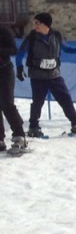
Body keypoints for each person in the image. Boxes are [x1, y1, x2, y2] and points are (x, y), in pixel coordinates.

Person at [15, 12, 76, 137]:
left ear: (46, 24)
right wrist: (19, 68)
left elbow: (66, 49)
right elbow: (20, 53)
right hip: (38, 76)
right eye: (34, 23)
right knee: (38, 102)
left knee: (65, 98)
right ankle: (33, 127)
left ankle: (75, 123)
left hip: (54, 75)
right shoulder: (32, 37)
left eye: (37, 23)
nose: (35, 25)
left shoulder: (56, 35)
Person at [0, 23, 28, 153]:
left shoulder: (3, 30)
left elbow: (13, 49)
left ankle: (19, 135)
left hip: (4, 70)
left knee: (7, 104)